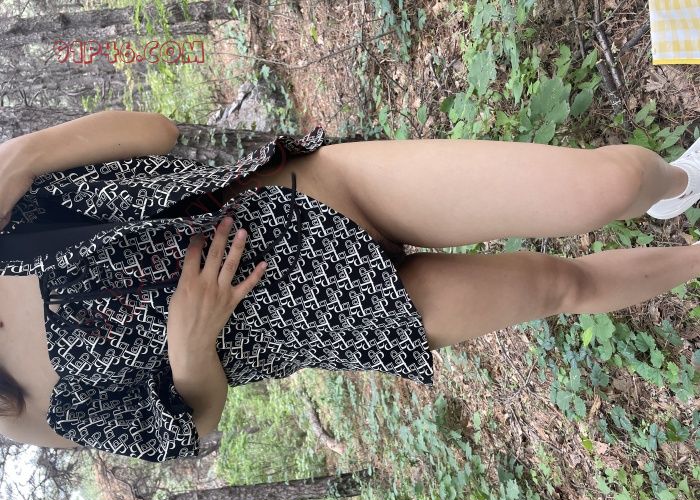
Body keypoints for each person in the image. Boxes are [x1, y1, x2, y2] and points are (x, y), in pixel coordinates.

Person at [0, 110, 698, 463]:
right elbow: (189, 427)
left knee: (608, 185)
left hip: (319, 190)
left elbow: (155, 133)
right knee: (558, 285)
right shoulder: (13, 410)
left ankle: (678, 183)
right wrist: (190, 352)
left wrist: (21, 155)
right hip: (337, 315)